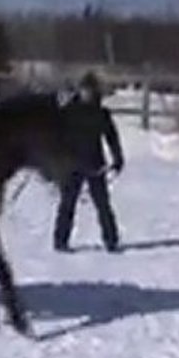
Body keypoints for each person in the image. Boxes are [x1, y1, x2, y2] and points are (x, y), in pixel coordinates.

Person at [53, 71, 125, 253]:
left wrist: (117, 158)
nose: (88, 94)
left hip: (95, 165)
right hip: (72, 165)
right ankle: (60, 240)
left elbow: (112, 137)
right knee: (67, 204)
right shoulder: (69, 111)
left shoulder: (101, 114)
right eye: (85, 90)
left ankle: (111, 240)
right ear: (80, 91)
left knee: (103, 205)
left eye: (91, 91)